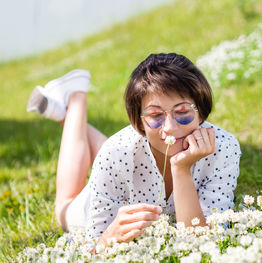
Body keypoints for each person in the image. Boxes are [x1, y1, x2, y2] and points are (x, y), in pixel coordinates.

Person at [27, 53, 241, 247]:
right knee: (64, 208)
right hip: (100, 194)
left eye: (182, 111)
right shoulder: (115, 152)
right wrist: (110, 236)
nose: (170, 127)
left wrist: (181, 168)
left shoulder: (224, 148)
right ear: (138, 125)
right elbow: (93, 250)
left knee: (124, 153)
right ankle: (75, 98)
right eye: (156, 116)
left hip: (128, 158)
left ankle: (63, 113)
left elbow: (200, 243)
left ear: (201, 112)